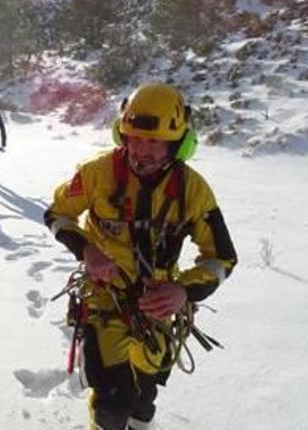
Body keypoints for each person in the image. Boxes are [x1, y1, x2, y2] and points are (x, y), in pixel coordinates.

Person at [44, 83, 237, 430]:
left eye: (154, 142)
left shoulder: (192, 190)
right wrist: (87, 250)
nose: (140, 151)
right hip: (105, 300)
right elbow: (57, 214)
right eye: (133, 138)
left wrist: (183, 292)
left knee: (143, 401)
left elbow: (222, 258)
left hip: (157, 313)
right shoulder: (97, 174)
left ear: (179, 144)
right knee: (111, 405)